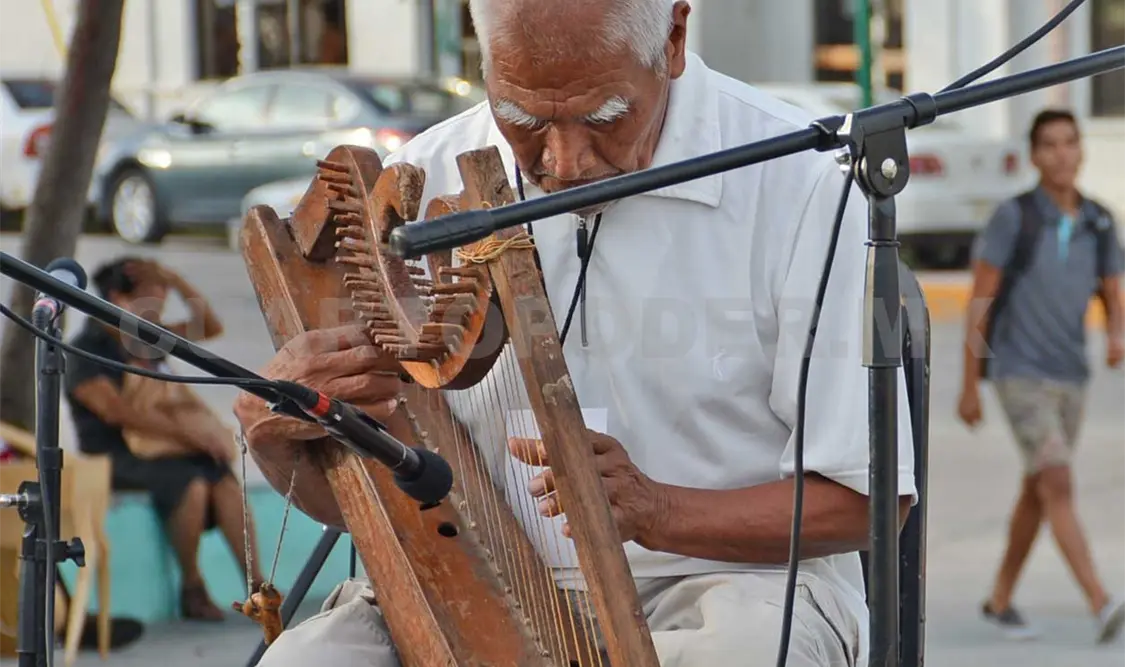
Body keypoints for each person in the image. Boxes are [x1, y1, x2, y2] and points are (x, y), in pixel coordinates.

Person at [235, 0, 917, 665]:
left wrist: (657, 510)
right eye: (521, 118)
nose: (562, 161)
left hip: (728, 585)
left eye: (604, 116)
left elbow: (867, 501)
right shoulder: (418, 185)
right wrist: (281, 441)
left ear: (673, 39)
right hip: (472, 587)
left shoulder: (798, 180)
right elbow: (370, 505)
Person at [958, 108, 1125, 643]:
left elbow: (1113, 288)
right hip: (1019, 372)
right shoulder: (1015, 217)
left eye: (1070, 143)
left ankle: (1000, 598)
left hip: (1071, 375)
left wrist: (1118, 332)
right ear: (1033, 155)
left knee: (1039, 487)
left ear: (1082, 151)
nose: (1061, 154)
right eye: (1049, 144)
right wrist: (969, 383)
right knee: (1057, 479)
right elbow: (980, 301)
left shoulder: (1099, 220)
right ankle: (1101, 600)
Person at [64, 257, 265, 622]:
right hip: (113, 457)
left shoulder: (143, 336)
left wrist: (175, 278)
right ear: (118, 298)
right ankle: (192, 587)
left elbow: (209, 326)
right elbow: (117, 413)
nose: (158, 306)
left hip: (168, 449)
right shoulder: (88, 347)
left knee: (223, 481)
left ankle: (258, 589)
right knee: (190, 485)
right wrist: (191, 436)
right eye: (150, 297)